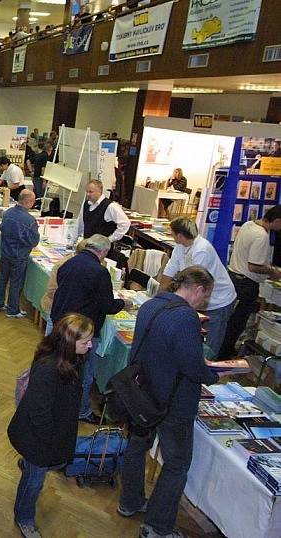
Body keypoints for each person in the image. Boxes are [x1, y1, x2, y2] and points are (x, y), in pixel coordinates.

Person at [119, 266, 222, 538]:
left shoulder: (151, 304)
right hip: (172, 403)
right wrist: (213, 374)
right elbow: (192, 366)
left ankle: (129, 502)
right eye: (205, 297)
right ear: (198, 289)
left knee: (136, 447)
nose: (203, 304)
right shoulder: (186, 317)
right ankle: (158, 526)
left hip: (142, 394)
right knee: (177, 464)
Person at [8, 313, 93, 538]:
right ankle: (24, 517)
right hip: (39, 436)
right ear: (69, 342)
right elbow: (39, 412)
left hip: (51, 430)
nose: (90, 345)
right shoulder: (49, 369)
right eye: (85, 342)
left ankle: (29, 465)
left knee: (35, 471)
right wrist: (51, 442)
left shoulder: (71, 359)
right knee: (34, 480)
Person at [50, 234, 125, 423]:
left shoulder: (68, 263)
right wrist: (124, 303)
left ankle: (59, 402)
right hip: (82, 329)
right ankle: (82, 411)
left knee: (61, 365)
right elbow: (107, 305)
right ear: (104, 251)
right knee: (86, 374)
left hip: (62, 322)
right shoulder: (100, 272)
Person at [160, 218, 236, 357]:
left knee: (209, 346)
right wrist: (160, 294)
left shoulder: (202, 249)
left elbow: (193, 281)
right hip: (198, 298)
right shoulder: (180, 246)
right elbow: (170, 269)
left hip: (218, 301)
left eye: (172, 233)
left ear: (180, 236)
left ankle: (205, 374)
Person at [219, 205, 281, 358]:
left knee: (230, 319)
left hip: (234, 277)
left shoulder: (249, 224)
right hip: (246, 283)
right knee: (238, 322)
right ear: (277, 221)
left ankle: (221, 349)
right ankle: (224, 354)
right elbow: (253, 266)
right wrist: (272, 271)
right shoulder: (261, 236)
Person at [0, 189, 40, 318]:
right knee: (16, 282)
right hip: (19, 255)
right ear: (29, 201)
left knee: (2, 279)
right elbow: (34, 240)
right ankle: (12, 310)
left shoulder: (8, 213)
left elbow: (2, 229)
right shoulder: (29, 220)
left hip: (6, 252)